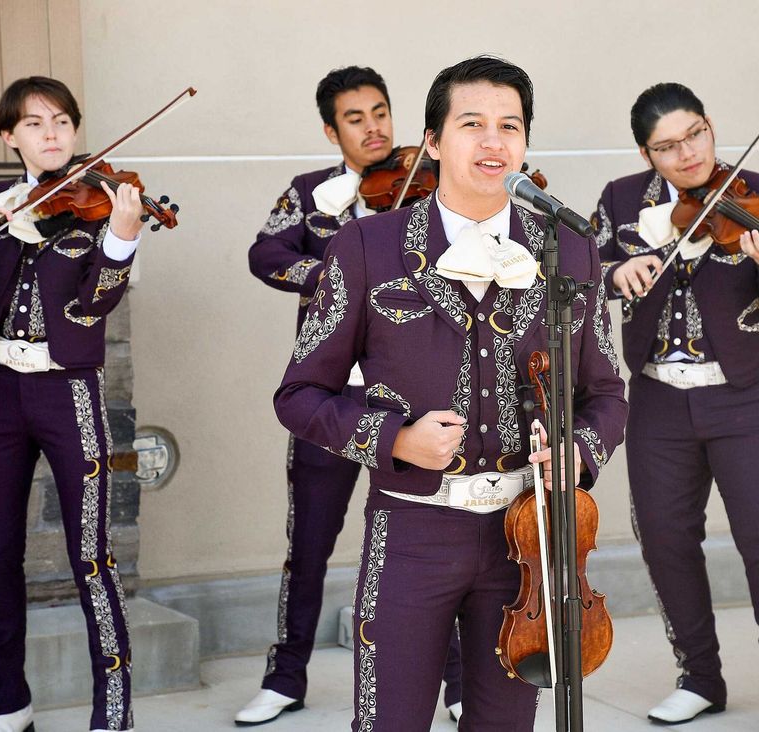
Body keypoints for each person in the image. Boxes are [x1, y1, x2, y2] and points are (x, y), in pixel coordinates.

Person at [274, 56, 627, 732]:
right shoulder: (366, 245)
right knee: (390, 721)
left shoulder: (570, 251)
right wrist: (395, 440)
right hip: (411, 530)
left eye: (510, 126)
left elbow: (607, 393)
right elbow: (299, 394)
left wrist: (577, 452)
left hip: (527, 541)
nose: (494, 142)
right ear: (433, 141)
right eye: (472, 124)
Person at [589, 82, 759, 732]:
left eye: (695, 135)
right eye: (667, 146)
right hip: (658, 397)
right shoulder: (621, 201)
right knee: (663, 538)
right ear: (646, 153)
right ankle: (699, 678)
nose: (688, 154)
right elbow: (581, 273)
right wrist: (614, 275)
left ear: (710, 126)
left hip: (747, 394)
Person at [239, 65, 462, 727]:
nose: (373, 129)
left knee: (438, 544)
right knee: (308, 542)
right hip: (334, 400)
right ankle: (285, 677)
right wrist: (334, 272)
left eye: (380, 112)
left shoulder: (432, 184)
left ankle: (456, 683)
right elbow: (265, 254)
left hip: (416, 400)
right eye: (355, 119)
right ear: (331, 131)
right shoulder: (312, 194)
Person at [0, 76, 144, 732]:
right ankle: (8, 702)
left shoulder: (100, 202)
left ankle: (112, 712)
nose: (51, 134)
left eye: (62, 122)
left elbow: (99, 301)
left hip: (68, 391)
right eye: (33, 123)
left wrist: (123, 240)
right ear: (9, 135)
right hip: (1, 390)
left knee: (91, 556)